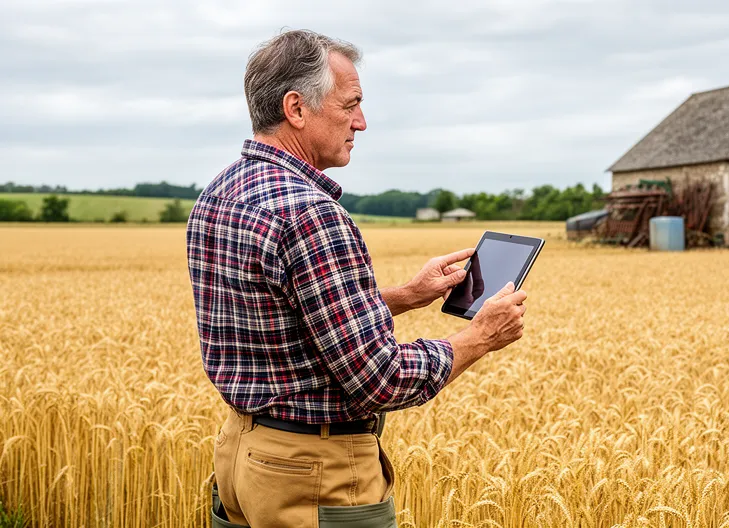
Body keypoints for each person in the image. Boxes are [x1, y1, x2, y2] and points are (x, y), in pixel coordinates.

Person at [186, 29, 527, 528]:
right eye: (351, 105)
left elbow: (288, 319)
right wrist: (478, 338)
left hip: (241, 457)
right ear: (297, 109)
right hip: (312, 476)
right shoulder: (311, 214)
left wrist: (406, 297)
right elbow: (380, 381)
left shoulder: (218, 193)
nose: (361, 122)